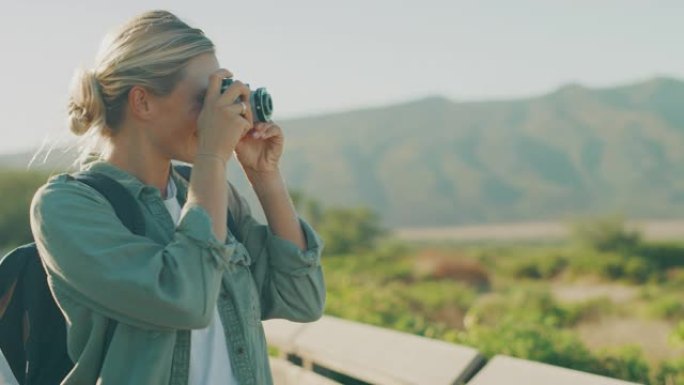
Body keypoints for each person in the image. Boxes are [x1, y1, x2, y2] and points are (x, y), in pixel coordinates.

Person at [29, 10, 325, 385]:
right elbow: (185, 300)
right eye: (205, 98)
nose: (219, 114)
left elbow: (301, 299)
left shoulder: (211, 194)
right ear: (143, 102)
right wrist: (212, 158)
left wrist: (265, 177)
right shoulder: (68, 206)